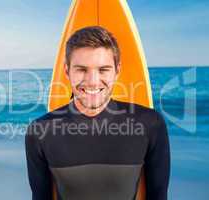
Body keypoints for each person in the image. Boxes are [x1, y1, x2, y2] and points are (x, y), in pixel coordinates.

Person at [25, 26, 170, 200]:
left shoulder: (149, 124)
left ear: (117, 70)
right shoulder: (41, 132)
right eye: (81, 69)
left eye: (103, 70)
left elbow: (159, 195)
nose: (93, 81)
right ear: (67, 71)